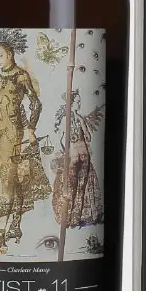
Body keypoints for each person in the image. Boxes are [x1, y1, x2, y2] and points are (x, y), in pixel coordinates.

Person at [0, 38, 52, 254]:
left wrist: (31, 128)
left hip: (13, 133)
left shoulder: (21, 76)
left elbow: (36, 103)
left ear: (10, 54)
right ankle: (8, 228)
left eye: (0, 56)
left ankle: (6, 231)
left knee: (8, 181)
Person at [51, 90, 105, 230]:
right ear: (71, 102)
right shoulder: (69, 118)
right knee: (73, 188)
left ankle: (74, 218)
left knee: (78, 188)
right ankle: (70, 218)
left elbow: (85, 137)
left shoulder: (76, 118)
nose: (79, 104)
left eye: (79, 102)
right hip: (76, 156)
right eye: (77, 102)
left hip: (80, 156)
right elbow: (65, 138)